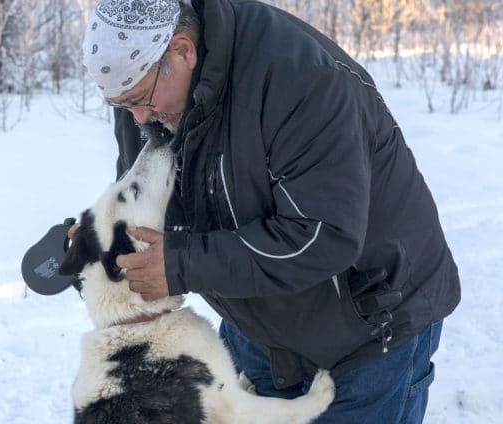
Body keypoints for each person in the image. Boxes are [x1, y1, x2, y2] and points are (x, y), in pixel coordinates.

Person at [80, 0, 461, 422]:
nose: (136, 118)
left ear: (183, 51)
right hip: (260, 327)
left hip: (366, 331)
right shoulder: (150, 96)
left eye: (138, 100)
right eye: (121, 106)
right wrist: (92, 242)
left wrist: (182, 263)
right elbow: (155, 201)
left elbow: (323, 235)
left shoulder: (302, 82)